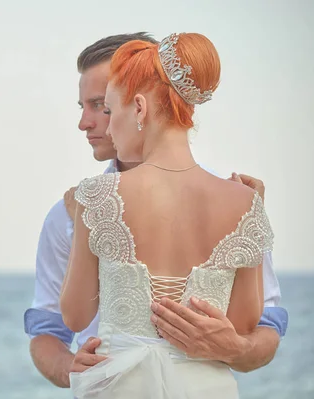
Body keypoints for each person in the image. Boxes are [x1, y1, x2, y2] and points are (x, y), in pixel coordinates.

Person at [24, 32, 288, 390]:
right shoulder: (244, 203)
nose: (88, 122)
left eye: (105, 107)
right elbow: (244, 321)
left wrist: (87, 222)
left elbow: (74, 315)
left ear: (139, 107)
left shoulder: (91, 199)